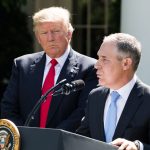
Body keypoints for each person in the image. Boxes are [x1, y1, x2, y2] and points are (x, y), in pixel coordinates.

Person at [0, 7, 98, 132]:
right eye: (44, 33)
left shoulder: (89, 68)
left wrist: (50, 140)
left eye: (56, 31)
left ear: (69, 33)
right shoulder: (22, 65)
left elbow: (83, 112)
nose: (50, 38)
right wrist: (26, 136)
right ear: (38, 38)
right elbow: (8, 107)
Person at [76, 33, 150, 150]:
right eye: (98, 58)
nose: (96, 65)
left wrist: (138, 147)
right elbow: (82, 139)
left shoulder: (147, 99)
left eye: (104, 59)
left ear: (126, 63)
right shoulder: (95, 96)